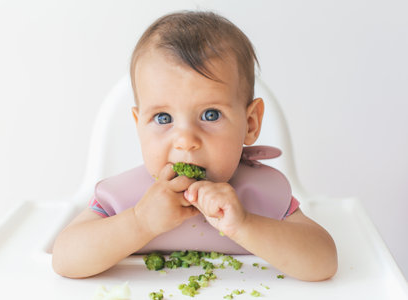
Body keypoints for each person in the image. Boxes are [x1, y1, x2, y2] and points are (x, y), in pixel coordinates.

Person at [52, 11, 337, 281]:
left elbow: (324, 261)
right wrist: (140, 222)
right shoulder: (127, 200)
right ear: (139, 125)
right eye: (163, 118)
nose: (185, 140)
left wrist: (245, 225)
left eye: (210, 115)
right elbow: (64, 258)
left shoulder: (260, 196)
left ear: (250, 124)